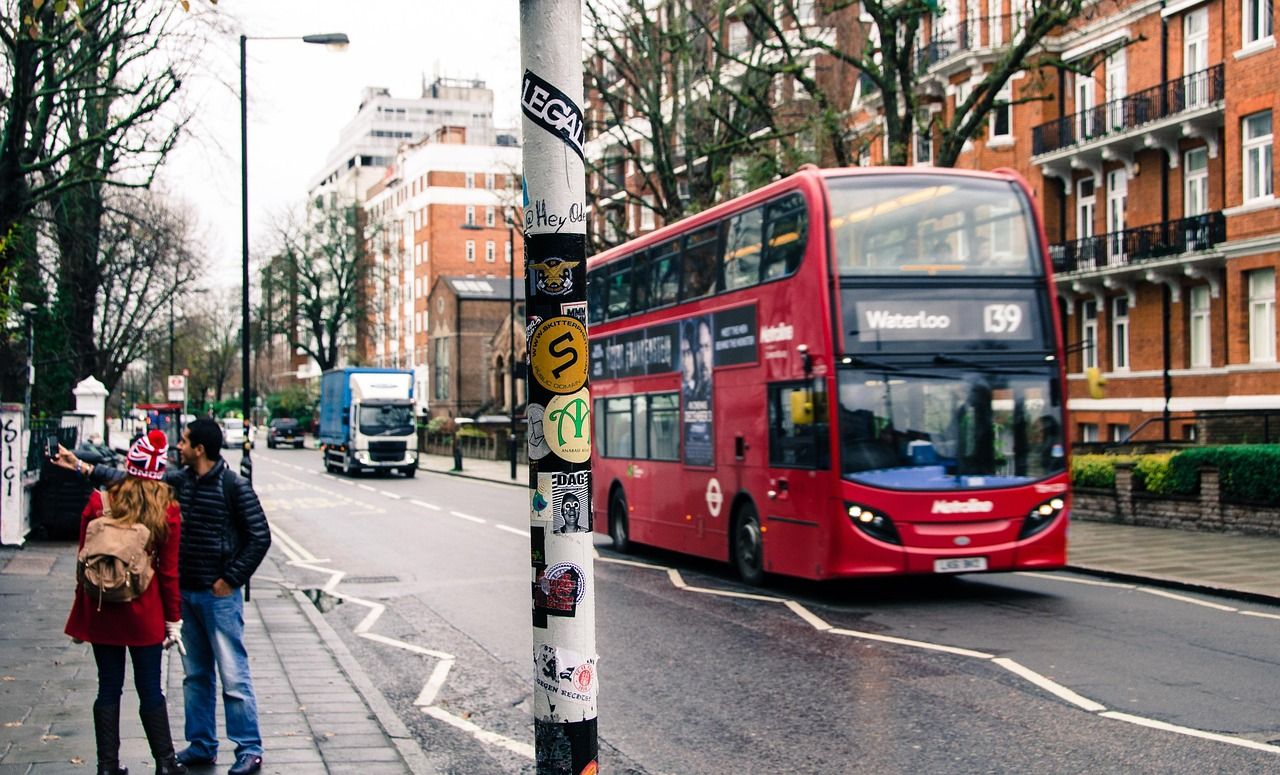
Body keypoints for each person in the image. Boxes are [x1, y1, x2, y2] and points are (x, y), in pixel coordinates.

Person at [60, 418, 271, 775]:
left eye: (185, 441)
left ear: (200, 449)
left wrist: (231, 579)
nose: (179, 446)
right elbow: (131, 479)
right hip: (179, 596)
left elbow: (259, 536)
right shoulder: (176, 487)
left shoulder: (234, 486)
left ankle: (248, 749)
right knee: (193, 677)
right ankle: (195, 748)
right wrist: (83, 467)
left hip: (216, 595)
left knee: (233, 675)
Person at [64, 430, 188, 775]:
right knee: (150, 688)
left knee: (108, 687)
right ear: (159, 471)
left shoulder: (99, 502)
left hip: (101, 608)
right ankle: (165, 763)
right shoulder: (167, 510)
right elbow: (169, 573)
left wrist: (80, 614)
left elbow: (82, 560)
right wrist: (173, 621)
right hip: (143, 612)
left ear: (129, 467)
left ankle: (107, 767)